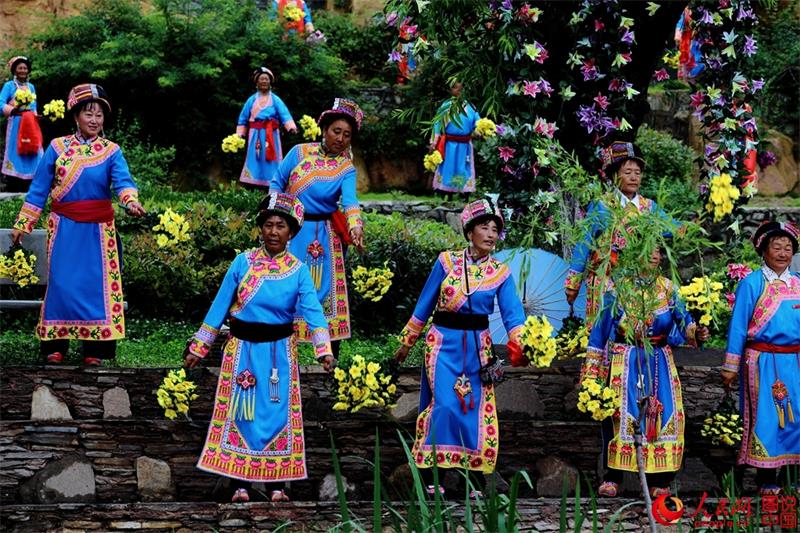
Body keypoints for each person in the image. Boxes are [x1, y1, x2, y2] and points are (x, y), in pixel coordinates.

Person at [184, 192, 335, 503]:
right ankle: (239, 484)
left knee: (276, 417)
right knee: (243, 416)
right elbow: (219, 307)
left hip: (279, 355)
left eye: (281, 226)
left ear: (291, 232)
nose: (274, 232)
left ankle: (276, 487)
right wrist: (198, 348)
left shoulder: (298, 270)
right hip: (242, 352)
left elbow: (313, 311)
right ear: (261, 229)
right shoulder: (243, 263)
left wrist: (324, 349)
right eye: (268, 225)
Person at [394, 198, 526, 495]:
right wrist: (406, 342)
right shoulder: (446, 262)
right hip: (442, 343)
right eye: (484, 227)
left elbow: (512, 314)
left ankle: (475, 481)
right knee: (443, 405)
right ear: (469, 231)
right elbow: (424, 304)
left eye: (495, 229)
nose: (491, 234)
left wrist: (521, 341)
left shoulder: (501, 273)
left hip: (478, 348)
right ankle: (435, 478)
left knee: (472, 409)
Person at [10, 83, 145, 365]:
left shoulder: (111, 151)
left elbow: (123, 182)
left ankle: (95, 349)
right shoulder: (57, 148)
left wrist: (130, 201)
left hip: (98, 232)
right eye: (88, 114)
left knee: (94, 286)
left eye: (99, 115)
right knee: (62, 284)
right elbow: (39, 189)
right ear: (75, 116)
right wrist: (24, 222)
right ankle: (55, 346)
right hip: (65, 229)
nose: (94, 120)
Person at [582, 246, 709, 497]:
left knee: (663, 414)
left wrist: (696, 332)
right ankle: (613, 477)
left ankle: (659, 481)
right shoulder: (616, 288)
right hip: (625, 359)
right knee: (618, 416)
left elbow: (684, 323)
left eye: (658, 250)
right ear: (633, 254)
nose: (653, 255)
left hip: (659, 359)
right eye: (647, 249)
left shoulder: (669, 289)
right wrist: (591, 374)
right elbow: (599, 333)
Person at [270, 98, 365, 358]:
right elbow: (277, 182)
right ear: (324, 129)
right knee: (284, 287)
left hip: (325, 237)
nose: (341, 138)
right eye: (336, 131)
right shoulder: (299, 152)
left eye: (347, 135)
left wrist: (355, 226)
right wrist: (276, 219)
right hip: (291, 231)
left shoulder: (346, 168)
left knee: (323, 291)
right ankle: (280, 351)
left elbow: (350, 201)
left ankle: (328, 356)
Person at [722, 221, 800, 495]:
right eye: (776, 247)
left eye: (788, 248)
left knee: (796, 417)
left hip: (795, 363)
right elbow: (739, 326)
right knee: (767, 418)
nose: (782, 252)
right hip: (762, 362)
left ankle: (793, 478)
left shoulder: (798, 283)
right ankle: (767, 479)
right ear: (763, 251)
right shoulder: (752, 283)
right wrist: (730, 366)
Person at [564, 141, 674, 324]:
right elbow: (584, 242)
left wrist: (688, 228)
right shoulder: (602, 206)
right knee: (603, 332)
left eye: (637, 173)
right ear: (614, 176)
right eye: (628, 172)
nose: (634, 177)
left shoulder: (649, 207)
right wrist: (573, 283)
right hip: (605, 282)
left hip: (638, 283)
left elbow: (669, 227)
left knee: (635, 331)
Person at [236, 67, 297, 188]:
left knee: (272, 161)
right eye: (261, 79)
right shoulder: (251, 100)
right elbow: (243, 117)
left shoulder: (275, 99)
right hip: (255, 135)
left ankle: (273, 182)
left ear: (270, 82)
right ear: (257, 82)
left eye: (266, 79)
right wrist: (239, 134)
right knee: (255, 158)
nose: (264, 81)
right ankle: (252, 183)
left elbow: (284, 114)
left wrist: (290, 127)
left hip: (271, 135)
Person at [430, 81, 480, 199]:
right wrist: (434, 140)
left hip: (465, 145)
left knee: (463, 168)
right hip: (449, 144)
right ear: (451, 90)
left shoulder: (471, 107)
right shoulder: (446, 106)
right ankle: (447, 193)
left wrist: (480, 130)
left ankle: (465, 194)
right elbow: (437, 123)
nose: (458, 91)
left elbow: (478, 122)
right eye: (455, 88)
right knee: (448, 167)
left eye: (461, 88)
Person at [1, 56, 43, 192]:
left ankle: (32, 182)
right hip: (16, 124)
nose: (23, 71)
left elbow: (34, 106)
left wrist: (37, 117)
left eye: (25, 68)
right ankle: (14, 182)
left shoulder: (31, 87)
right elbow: (0, 103)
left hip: (31, 123)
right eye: (20, 68)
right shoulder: (9, 86)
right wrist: (12, 109)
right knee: (17, 148)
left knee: (33, 148)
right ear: (14, 70)